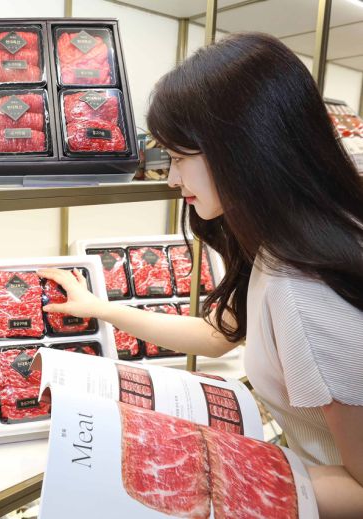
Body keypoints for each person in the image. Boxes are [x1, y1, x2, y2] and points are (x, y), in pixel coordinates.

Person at [40, 32, 363, 518]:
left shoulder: (303, 289)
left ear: (242, 149)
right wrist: (99, 308)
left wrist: (208, 469)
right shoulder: (288, 243)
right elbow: (216, 336)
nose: (171, 179)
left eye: (179, 158)